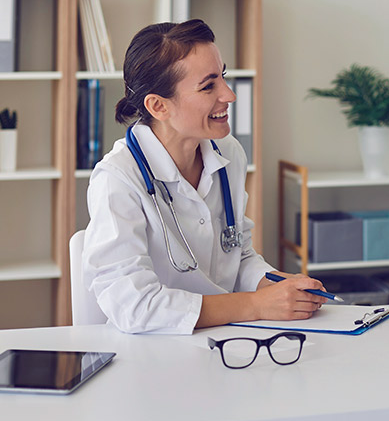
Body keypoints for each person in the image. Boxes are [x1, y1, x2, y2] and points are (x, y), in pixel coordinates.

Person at [83, 18, 327, 335]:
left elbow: (238, 257)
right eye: (208, 85)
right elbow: (135, 306)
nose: (229, 95)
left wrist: (280, 286)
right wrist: (257, 305)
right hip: (153, 354)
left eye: (222, 76)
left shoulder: (229, 153)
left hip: (225, 339)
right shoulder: (118, 178)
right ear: (158, 106)